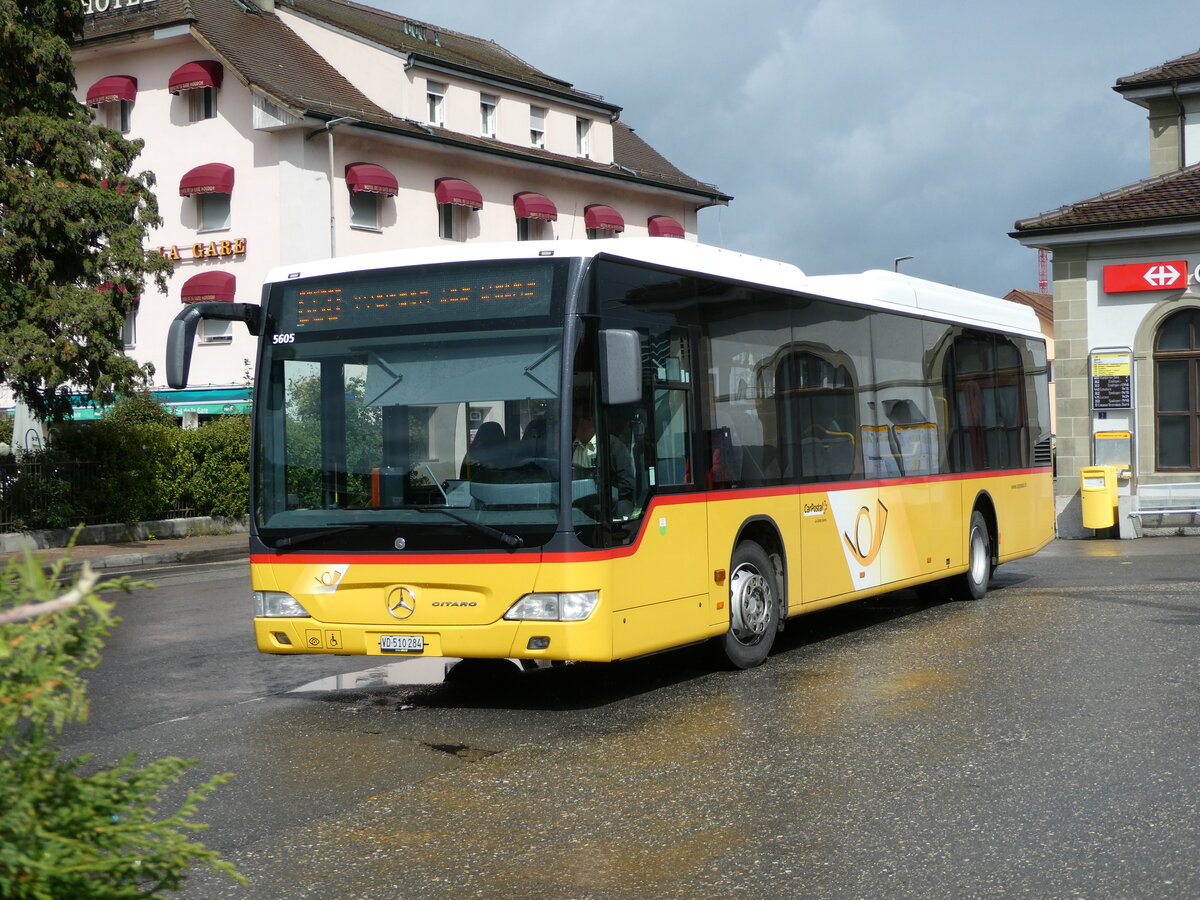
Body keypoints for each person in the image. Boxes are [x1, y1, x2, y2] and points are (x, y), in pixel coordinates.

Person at [572, 405, 635, 517]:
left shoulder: (612, 446)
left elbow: (627, 483)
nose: (575, 424)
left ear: (591, 420)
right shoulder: (569, 448)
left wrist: (606, 497)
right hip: (575, 509)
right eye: (574, 419)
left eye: (579, 419)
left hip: (606, 511)